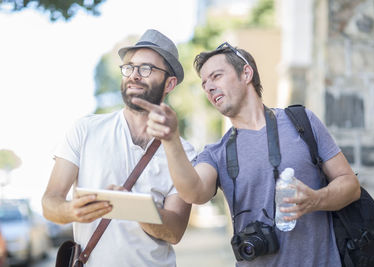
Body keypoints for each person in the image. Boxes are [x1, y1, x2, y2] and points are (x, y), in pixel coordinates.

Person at [131, 42, 361, 266]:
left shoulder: (302, 122)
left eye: (216, 76)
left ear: (246, 73)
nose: (209, 87)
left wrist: (315, 200)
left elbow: (350, 185)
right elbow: (193, 193)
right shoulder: (215, 153)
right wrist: (171, 140)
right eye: (204, 83)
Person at [41, 29, 196, 267]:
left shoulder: (183, 153)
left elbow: (174, 231)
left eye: (146, 69)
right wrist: (73, 211)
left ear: (169, 83)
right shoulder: (85, 130)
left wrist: (132, 206)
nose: (134, 75)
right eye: (130, 67)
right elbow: (50, 202)